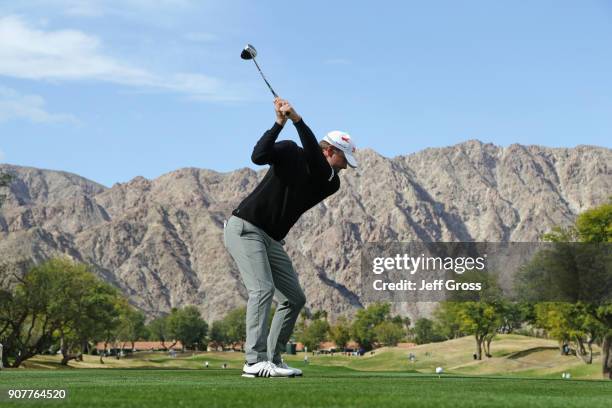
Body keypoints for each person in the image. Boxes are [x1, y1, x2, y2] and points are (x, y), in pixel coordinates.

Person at [224, 97, 357, 378]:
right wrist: (279, 124)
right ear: (331, 151)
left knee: (294, 298)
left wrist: (299, 121)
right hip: (245, 228)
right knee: (262, 290)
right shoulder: (288, 150)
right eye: (344, 159)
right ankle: (253, 361)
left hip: (271, 239)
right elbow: (258, 157)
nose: (345, 167)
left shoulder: (330, 180)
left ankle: (272, 358)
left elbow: (316, 166)